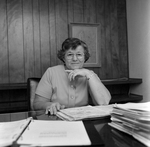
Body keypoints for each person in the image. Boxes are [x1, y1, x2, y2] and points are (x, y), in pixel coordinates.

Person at [33, 38, 111, 115]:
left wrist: (89, 75)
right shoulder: (51, 72)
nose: (74, 59)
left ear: (85, 57)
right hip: (57, 119)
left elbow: (104, 102)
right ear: (63, 57)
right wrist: (49, 105)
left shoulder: (90, 75)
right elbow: (37, 104)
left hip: (82, 119)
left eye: (79, 54)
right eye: (70, 55)